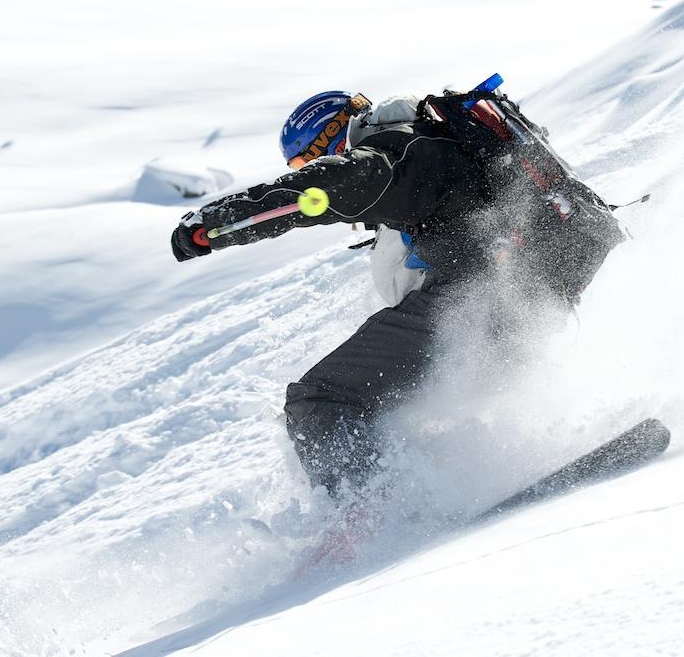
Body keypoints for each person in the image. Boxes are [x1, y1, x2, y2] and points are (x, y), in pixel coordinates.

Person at [171, 80, 624, 499]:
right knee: (414, 403)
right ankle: (479, 474)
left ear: (329, 139)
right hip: (540, 280)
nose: (308, 168)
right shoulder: (440, 139)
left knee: (320, 399)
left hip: (479, 295)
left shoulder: (388, 157)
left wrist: (215, 227)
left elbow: (315, 192)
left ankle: (369, 513)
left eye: (304, 160)